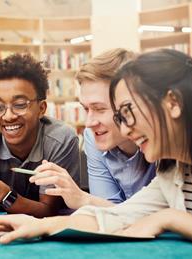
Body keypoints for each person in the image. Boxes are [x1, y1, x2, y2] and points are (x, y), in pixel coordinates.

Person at [0, 49, 192, 246]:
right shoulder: (172, 172)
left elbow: (153, 218)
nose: (125, 130)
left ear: (173, 103)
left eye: (127, 112)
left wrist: (170, 218)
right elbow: (119, 216)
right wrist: (41, 225)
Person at [29, 48, 155, 210]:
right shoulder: (93, 136)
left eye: (100, 109)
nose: (88, 123)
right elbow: (110, 213)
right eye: (86, 109)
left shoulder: (161, 142)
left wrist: (83, 199)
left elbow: (165, 214)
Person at [0, 53, 80, 217]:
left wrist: (2, 192)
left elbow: (48, 210)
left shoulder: (61, 139)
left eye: (20, 104)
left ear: (41, 109)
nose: (8, 116)